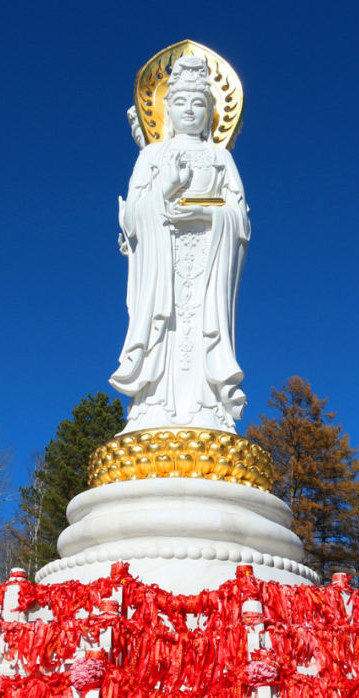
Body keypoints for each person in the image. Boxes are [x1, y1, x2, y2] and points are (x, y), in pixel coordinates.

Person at [111, 55, 251, 434]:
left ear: (211, 112)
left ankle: (210, 410)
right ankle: (152, 409)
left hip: (207, 270)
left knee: (201, 331)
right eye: (181, 102)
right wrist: (166, 191)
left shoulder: (220, 157)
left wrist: (208, 213)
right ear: (166, 108)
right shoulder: (152, 155)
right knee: (165, 335)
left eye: (199, 103)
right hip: (163, 273)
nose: (190, 110)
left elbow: (239, 219)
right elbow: (135, 216)